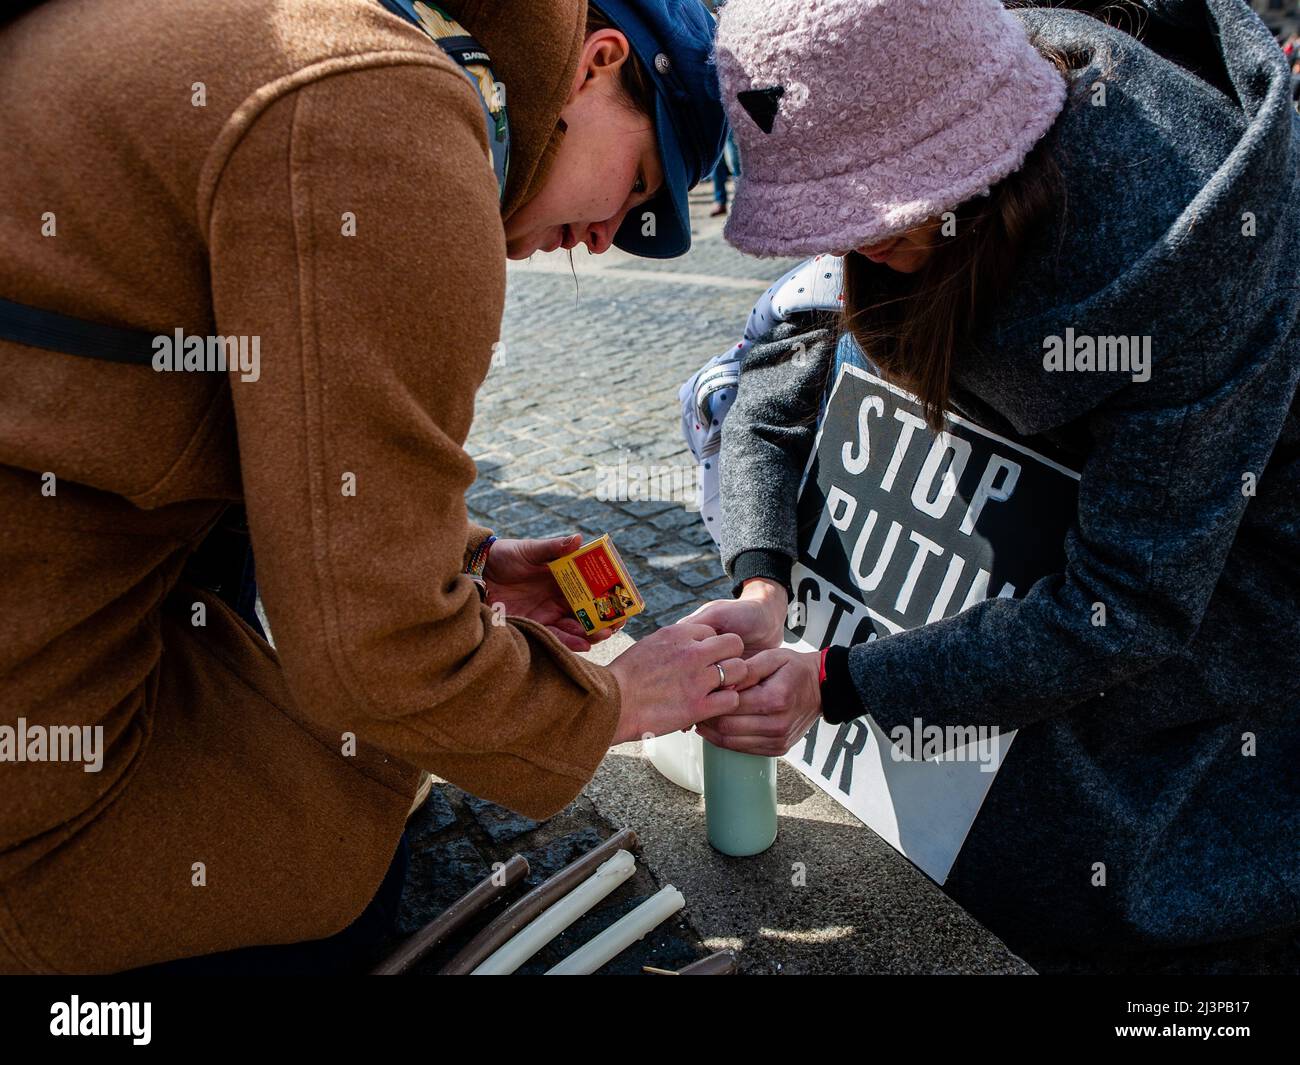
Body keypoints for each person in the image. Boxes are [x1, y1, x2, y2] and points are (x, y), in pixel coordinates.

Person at [0, 0, 744, 974]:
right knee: (344, 831)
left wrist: (462, 560)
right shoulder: (385, 102)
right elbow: (376, 664)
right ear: (600, 62)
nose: (605, 236)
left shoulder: (348, 30)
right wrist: (609, 703)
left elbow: (274, 424)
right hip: (32, 799)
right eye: (638, 187)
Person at [691, 0, 1300, 971]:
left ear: (970, 167)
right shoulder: (922, 92)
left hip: (1181, 716)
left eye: (868, 221)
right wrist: (764, 578)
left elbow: (1127, 607)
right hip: (980, 697)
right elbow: (771, 394)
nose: (849, 251)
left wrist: (837, 681)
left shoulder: (1190, 257)